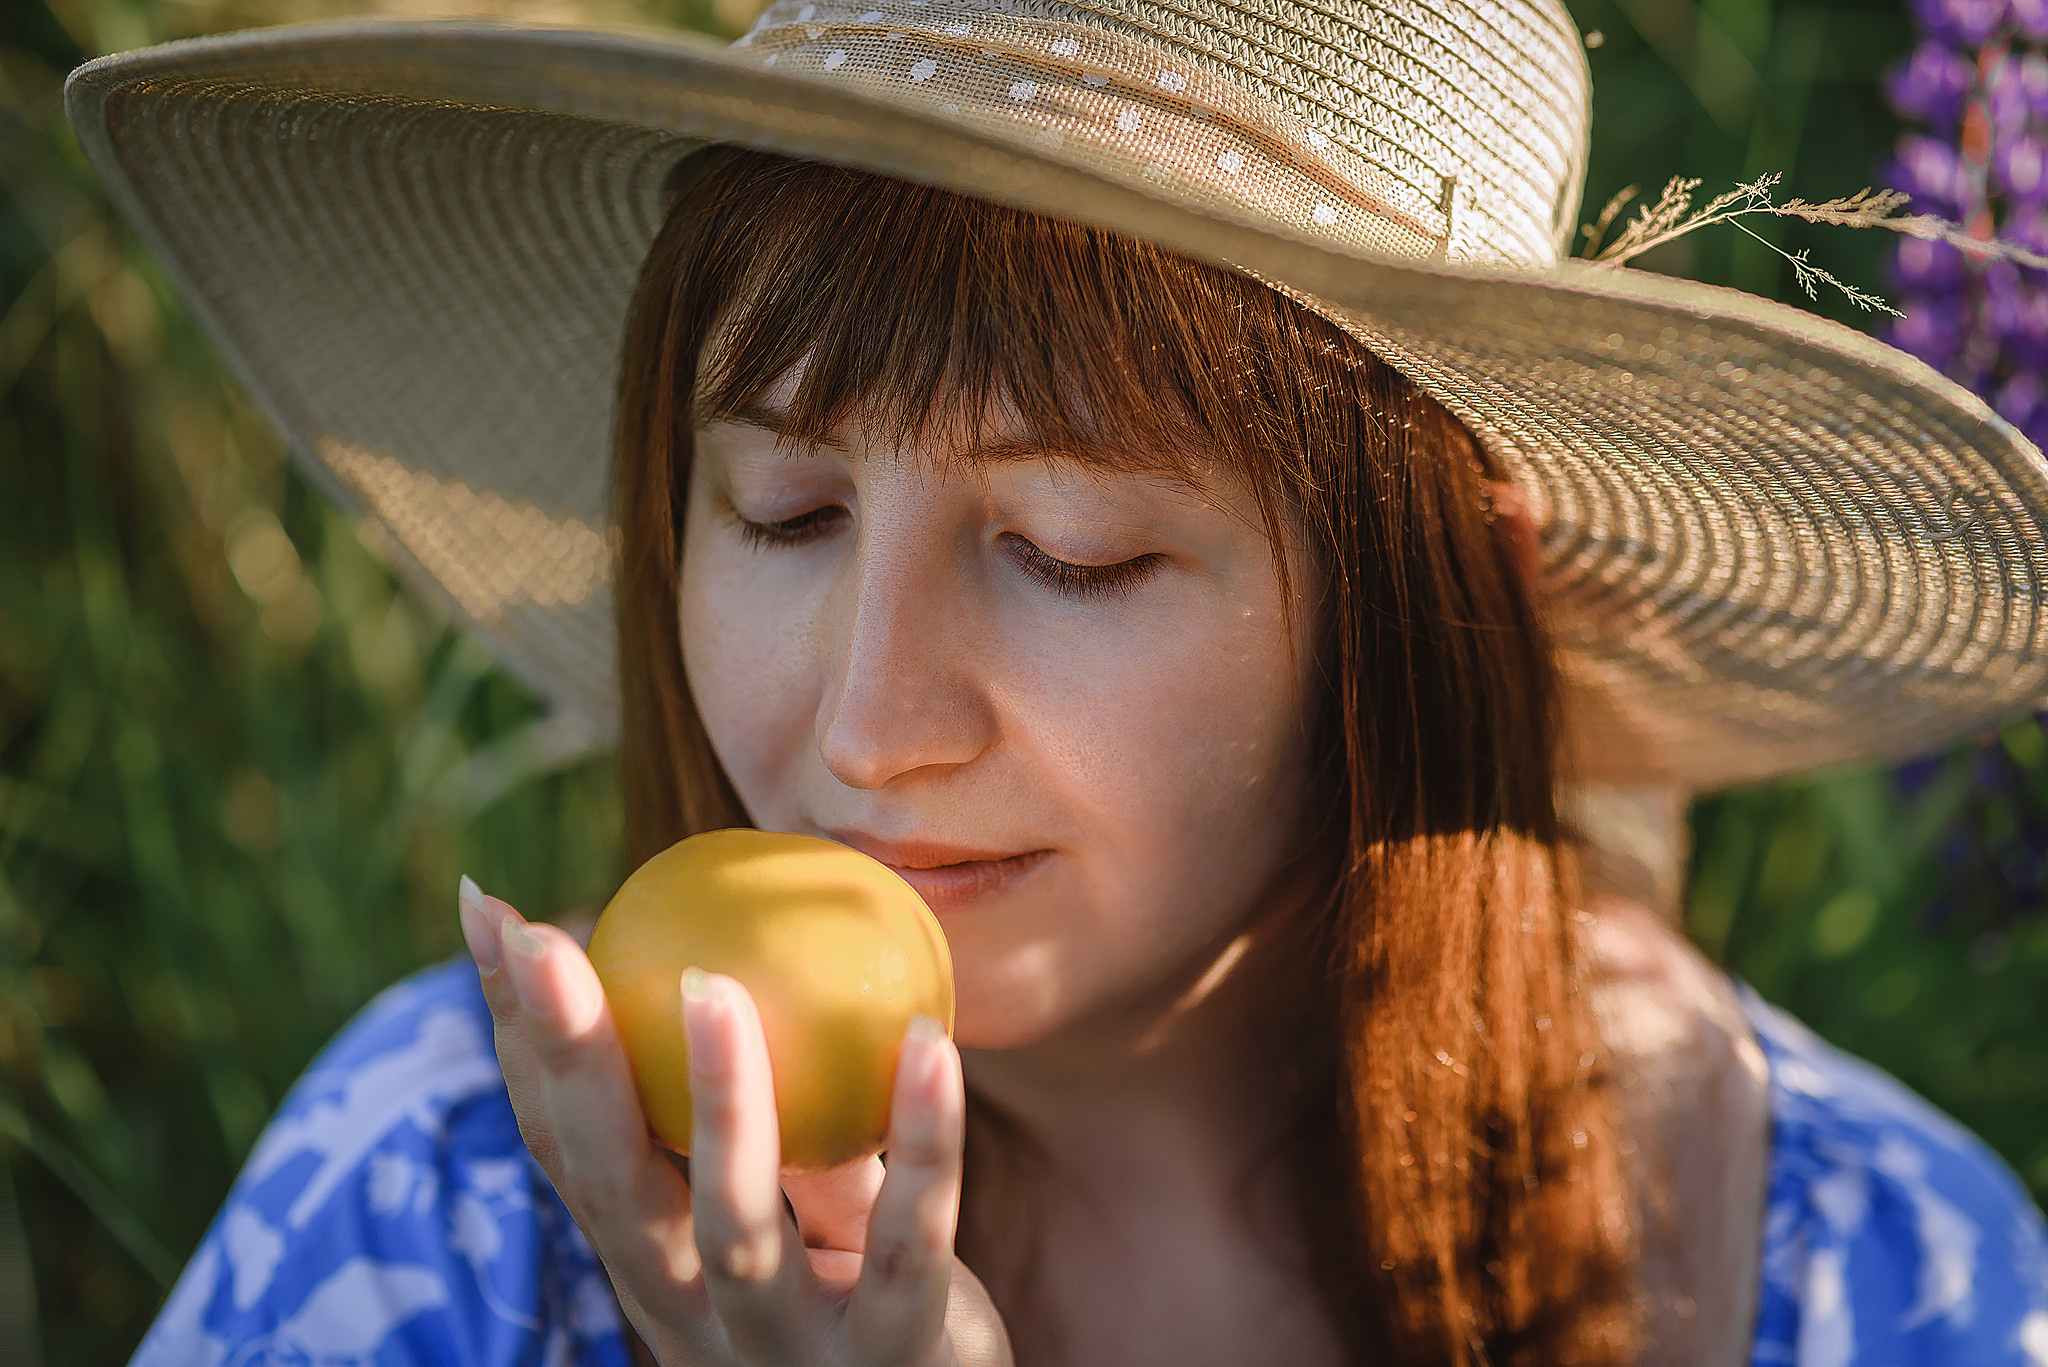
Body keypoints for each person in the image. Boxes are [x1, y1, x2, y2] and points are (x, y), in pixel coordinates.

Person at [64, 0, 2048, 1361]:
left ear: (1448, 606)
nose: (863, 733)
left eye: (1072, 552)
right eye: (783, 513)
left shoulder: (1874, 1280)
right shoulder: (435, 1205)